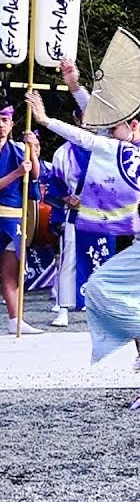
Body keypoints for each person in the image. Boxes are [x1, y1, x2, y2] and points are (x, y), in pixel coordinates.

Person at [29, 58, 140, 408]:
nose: (106, 131)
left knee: (98, 289)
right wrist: (74, 86)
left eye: (113, 128)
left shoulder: (131, 154)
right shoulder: (134, 148)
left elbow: (89, 138)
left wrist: (45, 121)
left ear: (132, 125)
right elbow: (98, 122)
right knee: (138, 303)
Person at [46, 106, 116, 328]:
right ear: (76, 120)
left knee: (103, 259)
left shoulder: (107, 148)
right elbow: (55, 183)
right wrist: (66, 198)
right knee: (70, 260)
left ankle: (101, 307)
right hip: (76, 211)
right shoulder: (63, 152)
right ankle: (63, 308)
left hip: (101, 212)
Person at [0, 100, 41, 335]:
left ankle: (15, 319)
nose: (1, 125)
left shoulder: (17, 149)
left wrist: (33, 151)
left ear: (12, 123)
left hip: (13, 217)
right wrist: (17, 172)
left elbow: (34, 175)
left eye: (5, 120)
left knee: (10, 270)